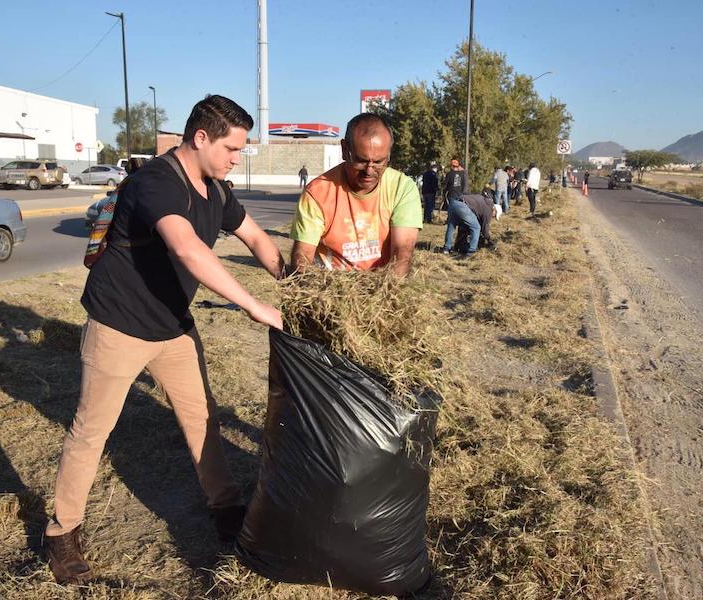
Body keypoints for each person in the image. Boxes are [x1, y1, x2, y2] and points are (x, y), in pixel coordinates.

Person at [44, 95, 285, 585]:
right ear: (201, 138)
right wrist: (256, 307)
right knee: (92, 431)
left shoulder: (217, 191)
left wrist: (293, 283)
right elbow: (188, 249)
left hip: (172, 325)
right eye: (232, 148)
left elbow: (257, 238)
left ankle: (225, 510)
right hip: (118, 325)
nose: (236, 158)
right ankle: (61, 533)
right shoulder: (156, 182)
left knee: (201, 417)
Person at [289, 113, 422, 276]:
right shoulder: (317, 193)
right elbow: (303, 256)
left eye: (379, 162)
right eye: (361, 161)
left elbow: (402, 252)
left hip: (382, 285)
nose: (369, 170)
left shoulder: (402, 188)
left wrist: (388, 292)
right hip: (330, 288)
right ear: (345, 150)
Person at [442, 191, 502, 256]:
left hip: (453, 203)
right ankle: (471, 251)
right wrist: (490, 240)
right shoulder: (489, 209)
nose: (492, 217)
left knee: (451, 227)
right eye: (494, 216)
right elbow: (485, 230)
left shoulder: (484, 202)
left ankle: (446, 249)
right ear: (494, 210)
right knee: (476, 228)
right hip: (462, 206)